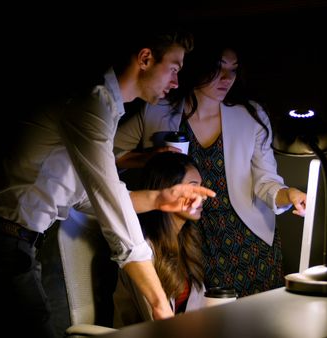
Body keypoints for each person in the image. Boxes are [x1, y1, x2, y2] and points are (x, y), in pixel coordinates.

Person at [0, 29, 216, 338]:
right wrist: (160, 305)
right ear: (145, 58)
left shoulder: (105, 108)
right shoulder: (90, 104)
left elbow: (85, 200)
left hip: (9, 243)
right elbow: (114, 215)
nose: (176, 82)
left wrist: (159, 199)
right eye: (174, 68)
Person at [114, 35, 307, 297]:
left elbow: (266, 181)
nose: (227, 79)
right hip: (183, 238)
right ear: (198, 67)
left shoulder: (250, 116)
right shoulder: (157, 111)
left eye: (233, 70)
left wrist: (290, 195)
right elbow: (111, 154)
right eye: (219, 68)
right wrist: (149, 157)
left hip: (245, 239)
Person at [113, 152, 207, 328]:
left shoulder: (186, 241)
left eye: (201, 187)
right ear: (169, 189)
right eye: (193, 187)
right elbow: (156, 320)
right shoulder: (140, 250)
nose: (202, 196)